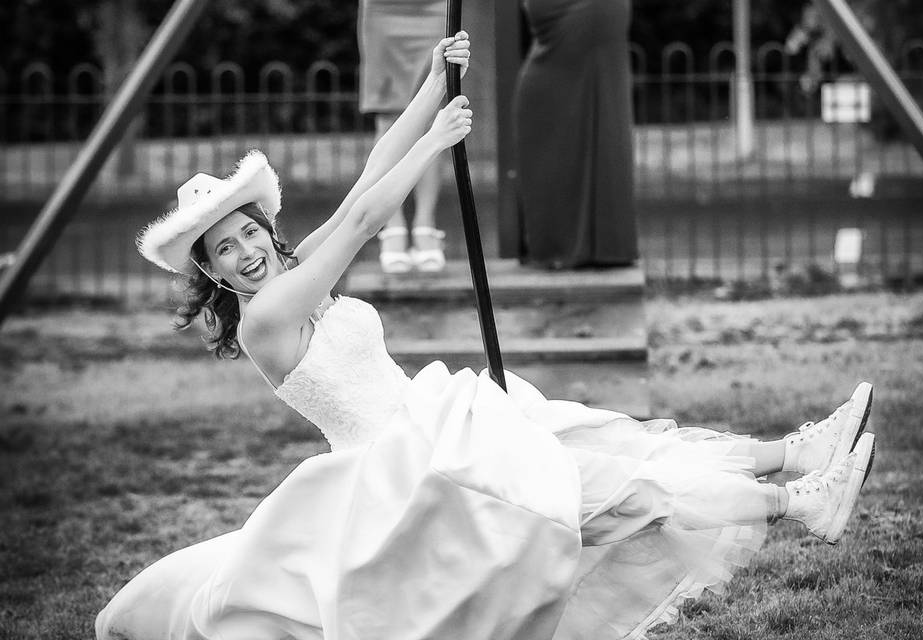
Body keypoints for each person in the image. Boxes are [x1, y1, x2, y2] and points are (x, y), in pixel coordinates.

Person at [97, 33, 877, 640]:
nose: (245, 251)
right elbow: (370, 219)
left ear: (265, 227)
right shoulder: (267, 315)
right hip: (411, 478)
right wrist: (440, 142)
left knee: (616, 450)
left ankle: (796, 459)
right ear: (215, 277)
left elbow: (370, 178)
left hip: (444, 431)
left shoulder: (294, 273)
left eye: (246, 232)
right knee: (612, 493)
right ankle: (798, 501)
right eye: (223, 251)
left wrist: (434, 83)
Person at [514, 0, 638, 268]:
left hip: (594, 13)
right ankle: (561, 243)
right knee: (545, 120)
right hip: (557, 21)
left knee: (604, 111)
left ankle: (598, 245)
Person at [359, 0, 448, 274]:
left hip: (435, 7)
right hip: (383, 9)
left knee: (433, 108)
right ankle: (392, 225)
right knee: (388, 116)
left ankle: (424, 224)